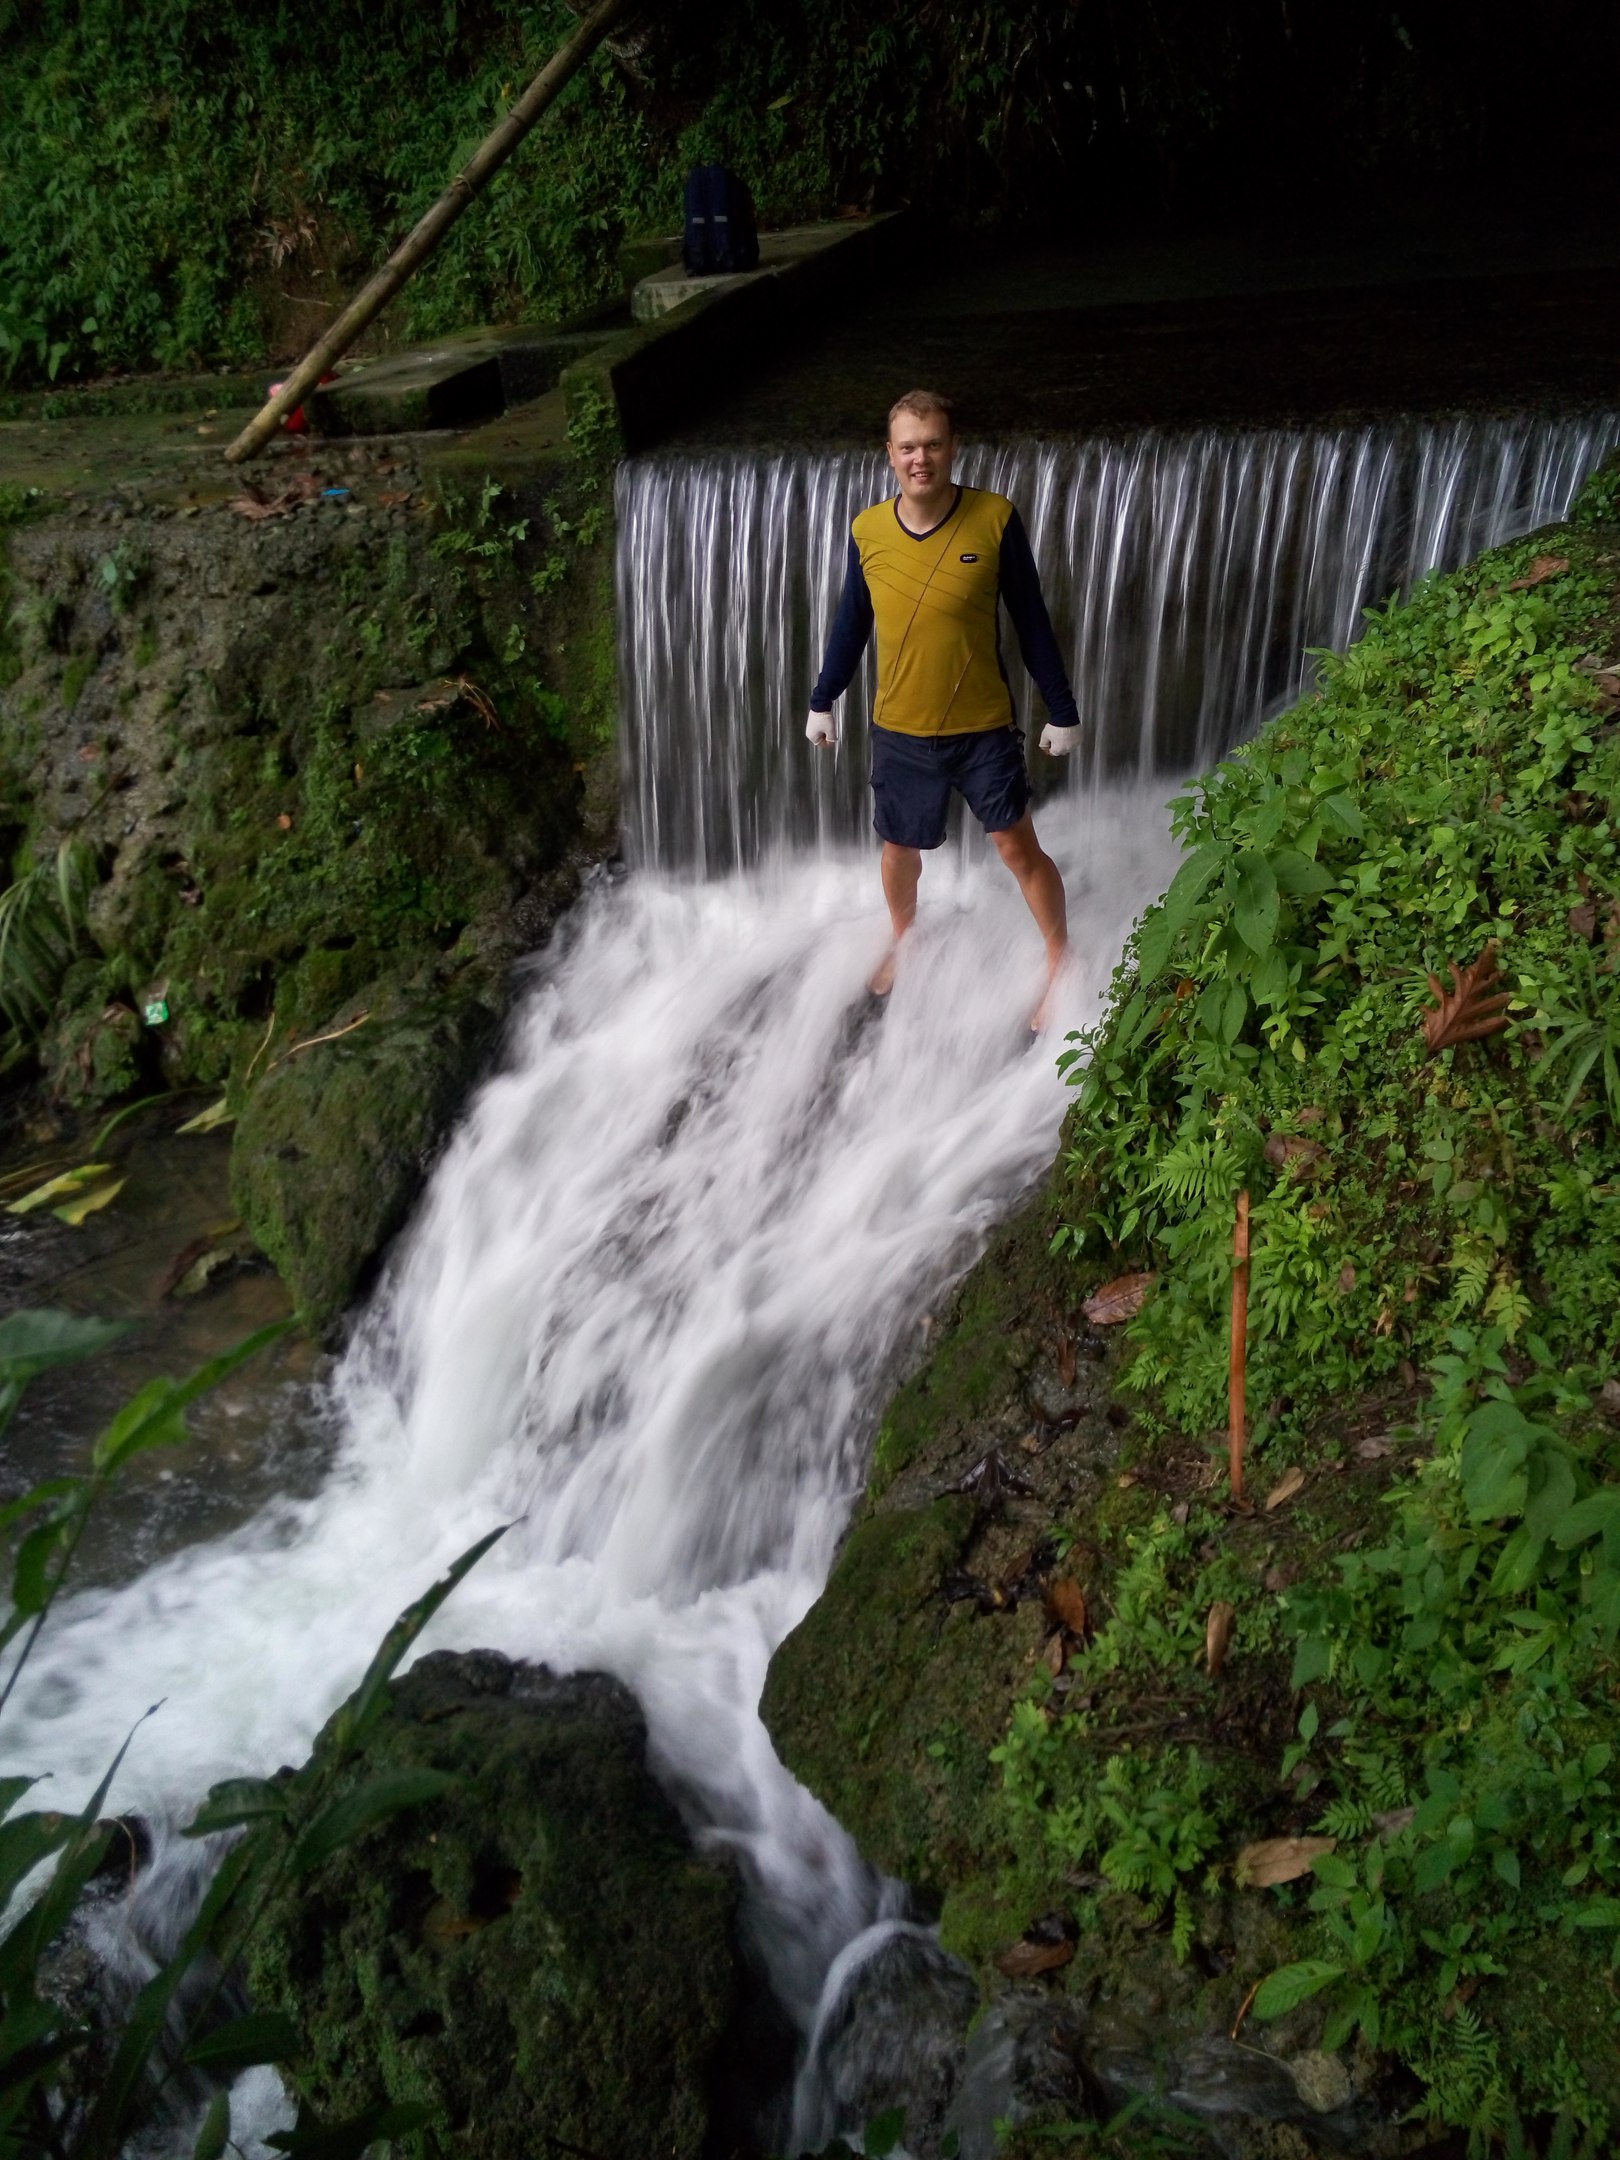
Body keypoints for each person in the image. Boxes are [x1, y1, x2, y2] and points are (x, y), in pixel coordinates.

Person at [805, 389, 1082, 1026]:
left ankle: (1060, 958)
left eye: (932, 444)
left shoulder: (993, 518)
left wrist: (1061, 710)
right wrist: (824, 699)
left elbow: (1032, 622)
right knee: (899, 849)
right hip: (899, 727)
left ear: (953, 448)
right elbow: (851, 624)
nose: (920, 458)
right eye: (908, 447)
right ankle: (906, 938)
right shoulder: (867, 530)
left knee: (1016, 847)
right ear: (890, 455)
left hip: (983, 728)